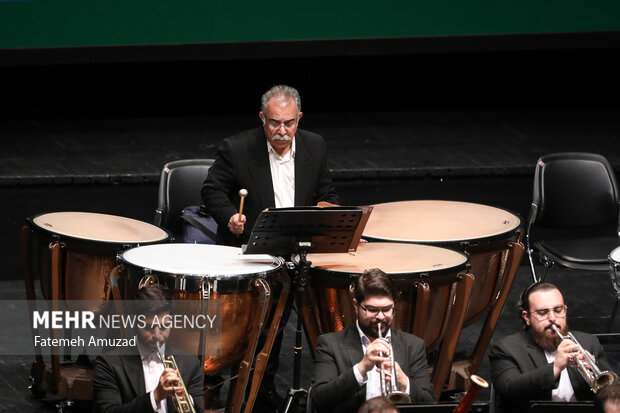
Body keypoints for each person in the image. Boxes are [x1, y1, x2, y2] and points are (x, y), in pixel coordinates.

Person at [201, 84, 339, 247]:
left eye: (289, 123)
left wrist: (336, 226)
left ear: (299, 118)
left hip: (299, 247)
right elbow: (212, 190)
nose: (282, 131)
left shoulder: (315, 145)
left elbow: (327, 194)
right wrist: (230, 217)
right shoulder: (237, 149)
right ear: (263, 117)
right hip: (250, 246)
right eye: (274, 123)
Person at [311, 268, 435, 412]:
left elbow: (428, 402)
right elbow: (318, 399)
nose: (381, 317)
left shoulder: (413, 345)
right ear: (356, 305)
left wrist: (403, 380)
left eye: (387, 309)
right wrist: (361, 368)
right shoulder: (330, 344)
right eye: (372, 310)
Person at [489, 281, 614, 412]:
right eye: (543, 312)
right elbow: (508, 390)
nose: (553, 318)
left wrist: (595, 367)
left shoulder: (588, 342)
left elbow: (614, 392)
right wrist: (555, 368)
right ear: (526, 316)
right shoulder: (506, 348)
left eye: (558, 310)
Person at [93, 284, 204, 413]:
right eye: (148, 327)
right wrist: (155, 397)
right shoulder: (109, 363)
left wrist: (185, 397)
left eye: (164, 326)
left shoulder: (190, 362)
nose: (157, 335)